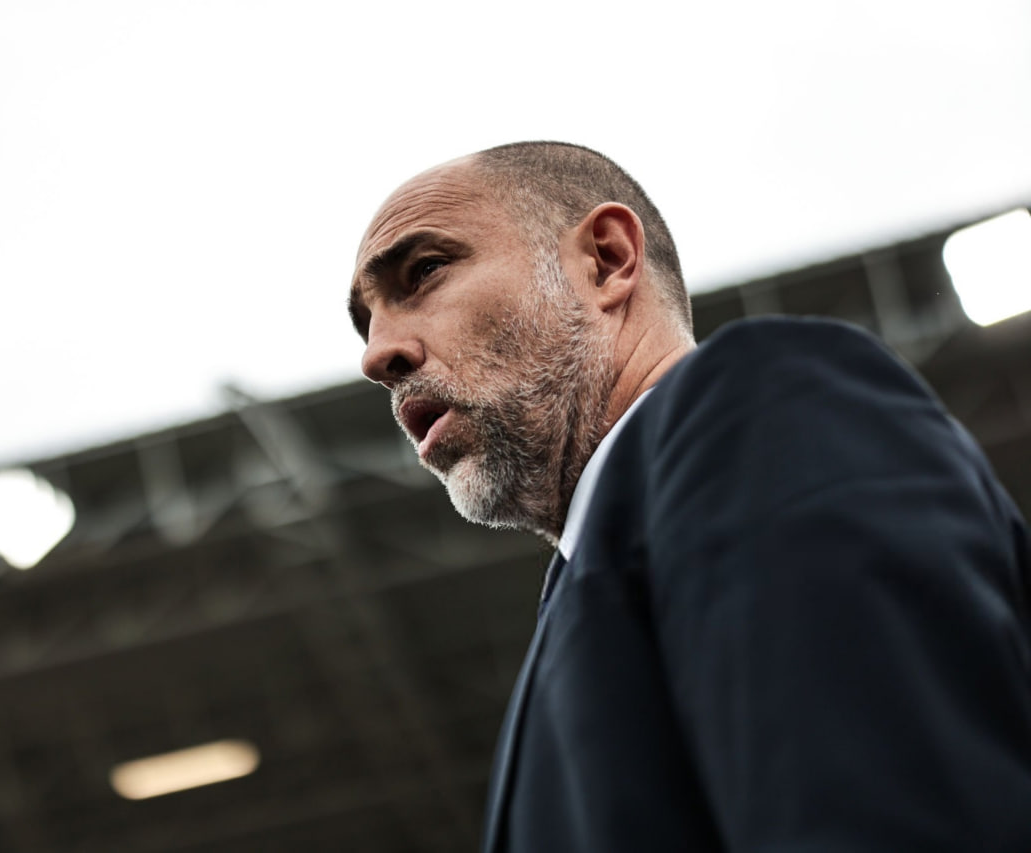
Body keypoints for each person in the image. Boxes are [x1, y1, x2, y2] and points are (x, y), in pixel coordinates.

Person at [347, 141, 1031, 852]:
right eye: (366, 323)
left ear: (607, 260)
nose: (376, 355)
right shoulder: (582, 595)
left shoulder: (760, 408)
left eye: (424, 272)